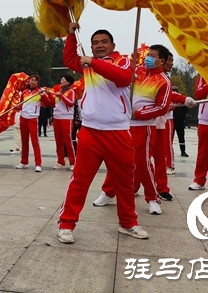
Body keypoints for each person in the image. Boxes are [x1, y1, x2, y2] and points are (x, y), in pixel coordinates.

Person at [57, 23, 148, 244]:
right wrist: (70, 35)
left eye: (103, 42)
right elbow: (69, 60)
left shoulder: (124, 60)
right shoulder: (88, 66)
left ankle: (128, 223)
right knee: (80, 180)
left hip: (117, 131)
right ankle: (66, 224)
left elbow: (124, 78)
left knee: (124, 182)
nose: (99, 46)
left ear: (113, 45)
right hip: (90, 131)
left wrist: (93, 62)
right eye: (95, 43)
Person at [128, 45, 172, 215]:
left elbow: (162, 107)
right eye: (148, 55)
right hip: (124, 124)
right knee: (120, 160)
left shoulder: (164, 81)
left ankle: (153, 198)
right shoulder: (137, 71)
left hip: (143, 127)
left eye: (152, 56)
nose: (148, 58)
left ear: (161, 61)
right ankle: (109, 192)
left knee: (142, 163)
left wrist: (138, 114)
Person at [15, 75, 53, 172]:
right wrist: (16, 107)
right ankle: (24, 162)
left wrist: (43, 95)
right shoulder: (24, 92)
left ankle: (38, 164)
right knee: (24, 141)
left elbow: (49, 103)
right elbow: (21, 105)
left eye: (35, 81)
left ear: (37, 82)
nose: (32, 82)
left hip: (33, 119)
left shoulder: (40, 92)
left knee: (35, 142)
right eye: (31, 80)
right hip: (23, 117)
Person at [52, 74, 76, 170]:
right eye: (61, 79)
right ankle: (60, 161)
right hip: (56, 117)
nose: (61, 81)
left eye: (63, 79)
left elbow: (71, 103)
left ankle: (73, 162)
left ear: (68, 82)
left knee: (68, 140)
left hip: (66, 118)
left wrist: (61, 96)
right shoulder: (59, 91)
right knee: (58, 141)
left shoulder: (71, 91)